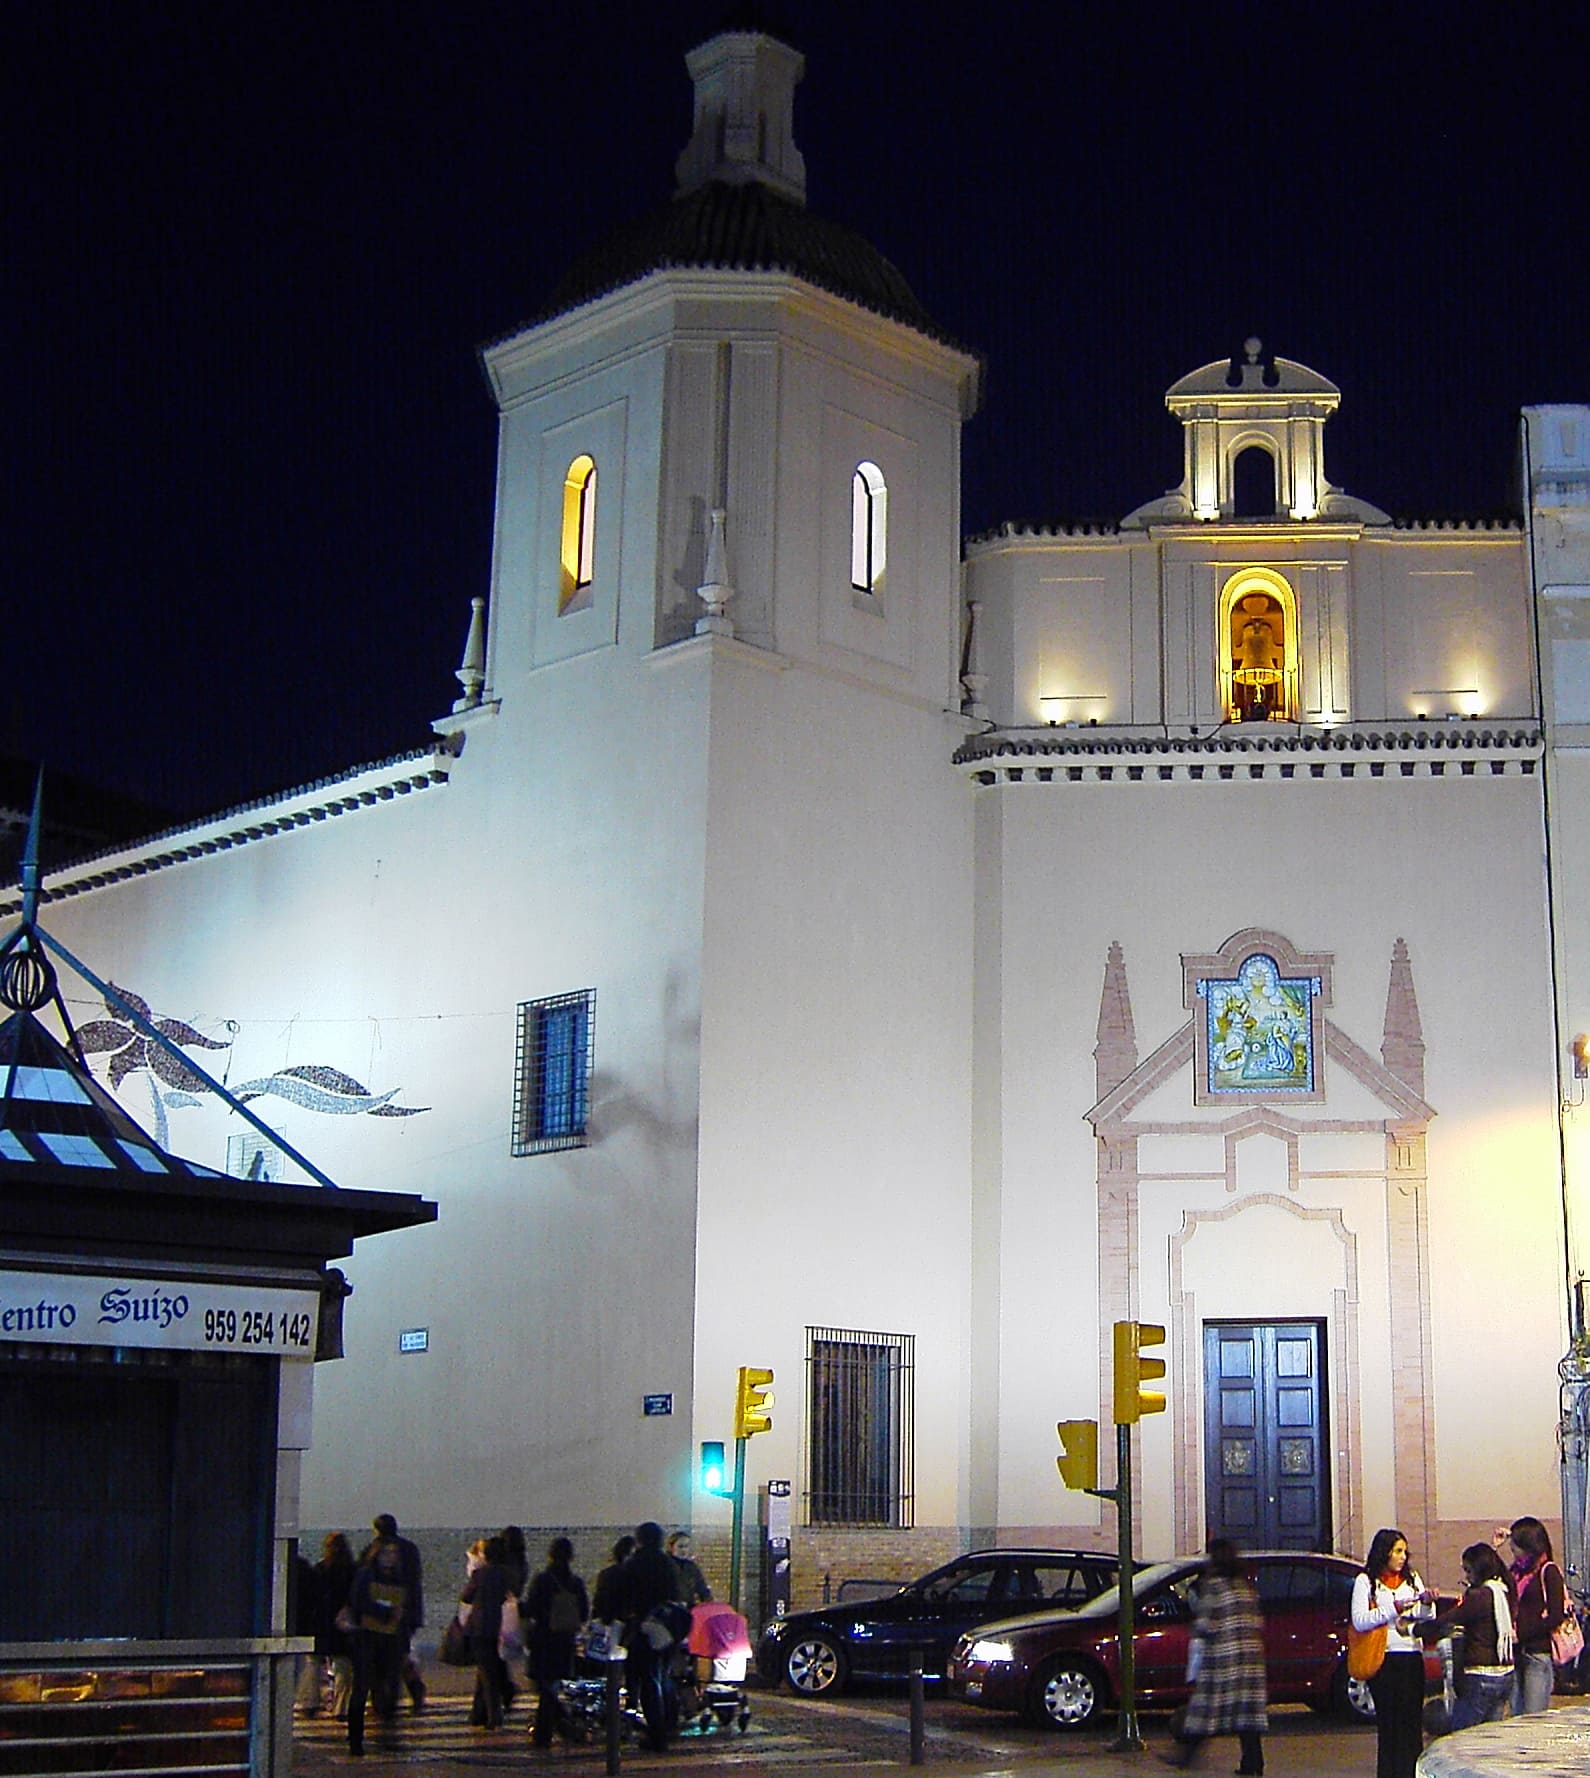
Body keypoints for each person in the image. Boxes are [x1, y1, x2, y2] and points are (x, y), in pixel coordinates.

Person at [1160, 1539, 1267, 1774]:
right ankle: (1253, 1763)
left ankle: (1184, 1756)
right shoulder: (1243, 1586)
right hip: (1250, 1661)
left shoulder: (1215, 1586)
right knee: (1247, 1715)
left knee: (1204, 1712)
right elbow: (1257, 1620)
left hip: (1223, 1661)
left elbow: (1206, 1624)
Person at [1352, 1528, 1435, 1778]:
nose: (1402, 1557)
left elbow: (1425, 1617)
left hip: (1411, 1657)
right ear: (1384, 1552)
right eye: (1397, 1551)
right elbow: (1360, 1621)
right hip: (1384, 1658)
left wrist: (1427, 1604)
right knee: (1390, 1726)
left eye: (1404, 1552)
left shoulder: (1412, 1579)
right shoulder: (1366, 1581)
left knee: (1411, 1724)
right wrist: (1393, 1608)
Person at [1414, 1542, 1514, 1730]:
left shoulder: (1480, 1596)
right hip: (1505, 1673)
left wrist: (1415, 1629)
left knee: (1463, 1735)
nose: (1466, 1576)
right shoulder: (1504, 1591)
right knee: (1492, 1735)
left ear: (1479, 1569)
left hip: (1481, 1675)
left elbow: (1450, 1619)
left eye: (1468, 1570)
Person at [618, 1520, 687, 1752]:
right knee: (663, 1676)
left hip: (644, 1627)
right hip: (668, 1626)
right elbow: (676, 1594)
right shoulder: (668, 1564)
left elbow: (625, 1596)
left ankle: (657, 1734)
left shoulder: (634, 1564)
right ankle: (670, 1722)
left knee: (649, 1680)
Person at [346, 1531, 413, 1756]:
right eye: (386, 1553)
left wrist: (404, 1639)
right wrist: (386, 1612)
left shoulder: (399, 1577)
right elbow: (358, 1601)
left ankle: (386, 1734)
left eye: (394, 1553)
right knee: (361, 1688)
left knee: (389, 1687)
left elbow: (405, 1608)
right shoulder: (366, 1574)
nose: (390, 1557)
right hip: (367, 1637)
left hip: (391, 1640)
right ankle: (355, 1740)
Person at [523, 1536, 589, 1747]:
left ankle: (547, 1733)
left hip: (543, 1638)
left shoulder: (542, 1580)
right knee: (551, 1686)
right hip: (564, 1639)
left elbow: (531, 1608)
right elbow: (584, 1613)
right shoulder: (575, 1583)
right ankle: (562, 1727)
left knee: (544, 1687)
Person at [1504, 1516, 1568, 1714]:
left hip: (1538, 1653)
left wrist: (1522, 1634)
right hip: (1516, 1654)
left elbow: (1556, 1616)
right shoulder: (1516, 1573)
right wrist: (1495, 1547)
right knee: (1516, 1714)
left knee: (1534, 1716)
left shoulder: (1549, 1572)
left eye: (1516, 1549)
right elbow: (1493, 1579)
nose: (1514, 1554)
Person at [368, 1513, 426, 1713]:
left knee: (380, 1658)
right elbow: (414, 1579)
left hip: (382, 1612)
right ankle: (411, 1689)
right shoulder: (410, 1549)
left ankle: (383, 1700)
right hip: (408, 1610)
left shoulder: (374, 1549)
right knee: (400, 1654)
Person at [460, 1535, 514, 1729]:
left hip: (479, 1626)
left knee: (486, 1672)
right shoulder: (505, 1575)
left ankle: (493, 1715)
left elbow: (466, 1596)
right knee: (486, 1669)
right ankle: (478, 1713)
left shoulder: (480, 1574)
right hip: (496, 1625)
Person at [316, 1532, 357, 1720]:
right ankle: (341, 1707)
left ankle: (329, 1702)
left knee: (330, 1667)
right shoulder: (353, 1569)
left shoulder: (321, 1569)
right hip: (347, 1624)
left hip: (327, 1624)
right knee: (345, 1670)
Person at [667, 1531, 712, 1606]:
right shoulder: (664, 1565)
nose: (684, 1550)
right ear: (671, 1547)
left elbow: (702, 1587)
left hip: (688, 1606)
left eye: (686, 1546)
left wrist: (708, 1603)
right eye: (680, 1546)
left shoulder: (691, 1567)